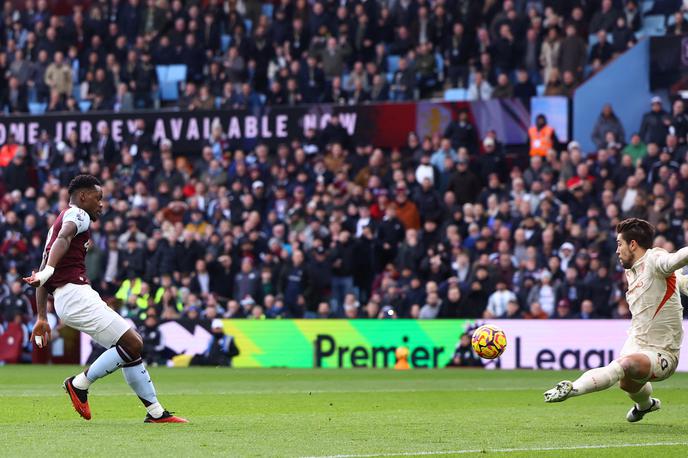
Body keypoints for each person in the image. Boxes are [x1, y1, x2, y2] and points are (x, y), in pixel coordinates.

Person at [23, 175, 187, 424]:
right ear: (82, 197)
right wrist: (48, 272)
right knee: (134, 343)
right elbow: (64, 240)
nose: (101, 204)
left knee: (129, 350)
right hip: (75, 295)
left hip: (68, 299)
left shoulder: (58, 222)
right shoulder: (78, 215)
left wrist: (42, 315)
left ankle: (155, 412)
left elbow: (44, 268)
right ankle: (79, 384)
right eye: (98, 198)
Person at [544, 218, 684, 423]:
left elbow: (676, 259)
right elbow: (671, 280)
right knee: (627, 384)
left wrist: (680, 277)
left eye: (620, 244)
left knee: (624, 365)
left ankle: (573, 388)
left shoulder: (655, 260)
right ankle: (646, 405)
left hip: (663, 353)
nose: (617, 250)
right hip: (637, 343)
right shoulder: (632, 270)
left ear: (633, 244)